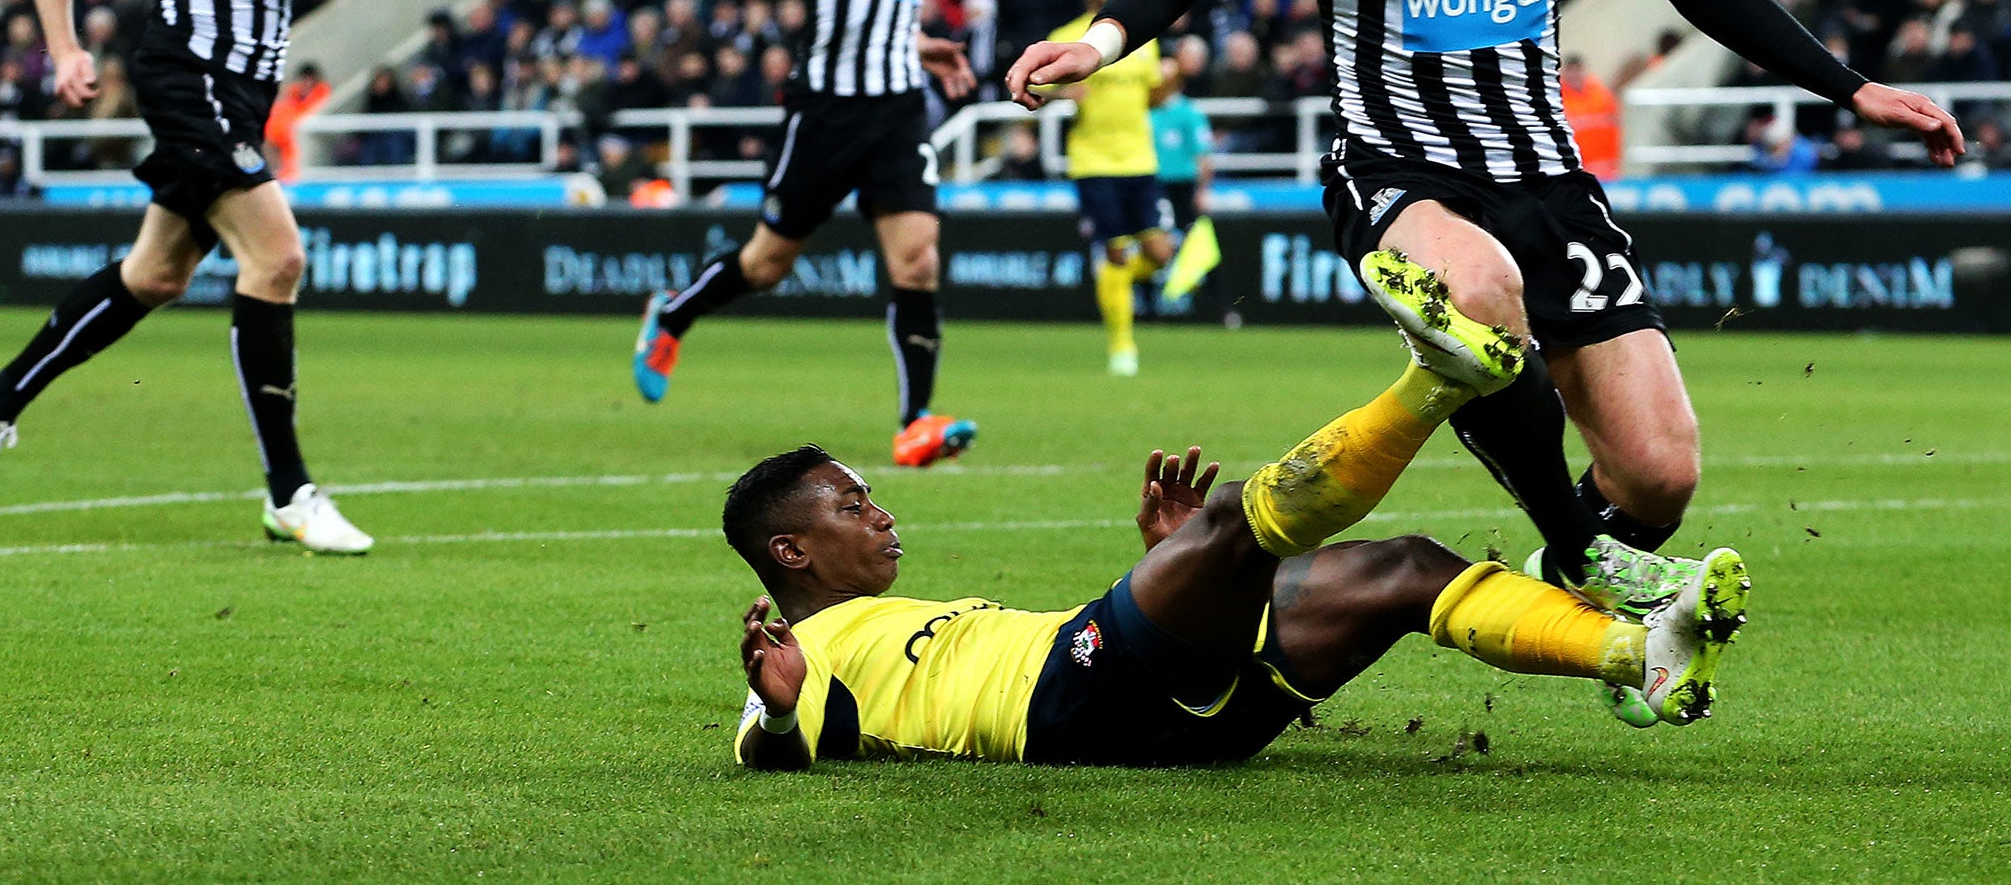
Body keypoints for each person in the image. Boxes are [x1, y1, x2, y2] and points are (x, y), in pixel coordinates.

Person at [1006, 0, 1958, 726]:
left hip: (1551, 186)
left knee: (1659, 475)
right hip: (1399, 179)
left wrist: (1852, 88)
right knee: (1479, 296)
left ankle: (1572, 578)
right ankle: (1582, 559)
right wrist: (1100, 40)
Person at [728, 268, 1750, 769]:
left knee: (1402, 566)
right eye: (853, 505)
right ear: (790, 550)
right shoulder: (805, 656)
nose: (881, 512)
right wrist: (775, 709)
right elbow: (772, 752)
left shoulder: (889, 615)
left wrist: (1165, 577)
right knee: (1230, 523)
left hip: (1145, 694)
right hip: (1073, 699)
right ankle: (1434, 381)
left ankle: (1637, 655)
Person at [0, 0, 371, 553]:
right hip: (182, 71)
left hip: (251, 83)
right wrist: (65, 48)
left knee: (155, 275)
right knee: (278, 258)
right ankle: (290, 490)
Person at [632, 0, 981, 468]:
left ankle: (915, 422)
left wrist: (923, 45)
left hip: (896, 111)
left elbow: (877, 7)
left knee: (917, 260)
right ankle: (674, 313)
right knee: (766, 265)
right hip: (826, 109)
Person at [1047, 0, 1176, 376]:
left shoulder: (1142, 37)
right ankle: (1122, 345)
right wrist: (1063, 94)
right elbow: (1034, 82)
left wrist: (1174, 81)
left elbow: (1153, 98)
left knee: (1160, 253)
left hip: (1140, 158)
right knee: (1116, 252)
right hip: (1094, 161)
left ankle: (1114, 289)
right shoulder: (1067, 36)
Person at [1148, 77, 1232, 326]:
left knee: (1201, 246)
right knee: (1151, 244)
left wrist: (1202, 189)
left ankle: (1223, 307)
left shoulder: (1187, 113)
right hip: (1153, 186)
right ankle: (1151, 306)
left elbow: (1203, 155)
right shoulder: (1147, 112)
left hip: (1183, 189)